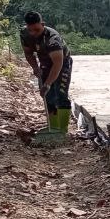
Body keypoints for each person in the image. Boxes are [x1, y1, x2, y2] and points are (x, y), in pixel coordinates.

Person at [20, 11, 73, 145]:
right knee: (48, 96)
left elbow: (58, 64)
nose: (33, 33)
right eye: (30, 30)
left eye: (37, 30)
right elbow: (28, 53)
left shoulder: (53, 39)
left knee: (60, 94)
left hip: (62, 64)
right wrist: (35, 68)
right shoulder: (25, 34)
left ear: (43, 25)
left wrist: (48, 83)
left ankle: (62, 129)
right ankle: (53, 127)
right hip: (44, 63)